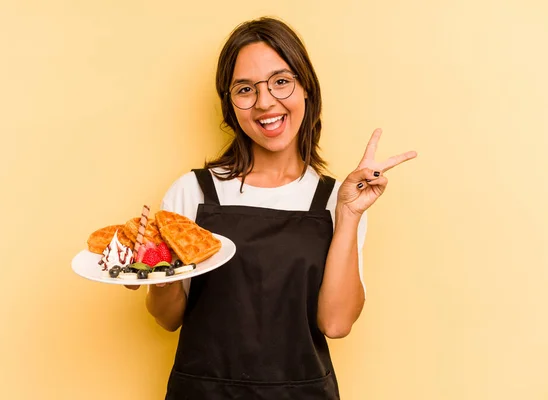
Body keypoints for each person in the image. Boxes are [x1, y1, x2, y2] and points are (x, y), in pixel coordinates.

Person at [131, 16, 417, 399]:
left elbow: (335, 323)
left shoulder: (337, 199)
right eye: (245, 89)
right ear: (230, 104)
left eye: (281, 81)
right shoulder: (192, 192)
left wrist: (349, 214)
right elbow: (168, 319)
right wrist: (158, 273)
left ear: (306, 89)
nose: (265, 102)